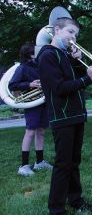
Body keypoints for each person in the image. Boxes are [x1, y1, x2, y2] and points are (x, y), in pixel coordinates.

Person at [37, 17, 92, 214]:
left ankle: (76, 200)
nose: (74, 37)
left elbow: (75, 77)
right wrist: (87, 79)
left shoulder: (65, 55)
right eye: (70, 32)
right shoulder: (48, 55)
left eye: (76, 34)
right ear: (57, 30)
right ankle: (56, 208)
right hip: (62, 117)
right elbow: (60, 88)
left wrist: (77, 61)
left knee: (74, 162)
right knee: (63, 164)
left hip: (77, 115)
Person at [9, 45, 53, 177]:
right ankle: (23, 166)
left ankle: (39, 162)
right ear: (30, 54)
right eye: (36, 52)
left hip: (43, 101)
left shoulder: (40, 65)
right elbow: (12, 85)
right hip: (32, 103)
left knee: (41, 131)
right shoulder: (22, 68)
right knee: (30, 132)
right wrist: (30, 84)